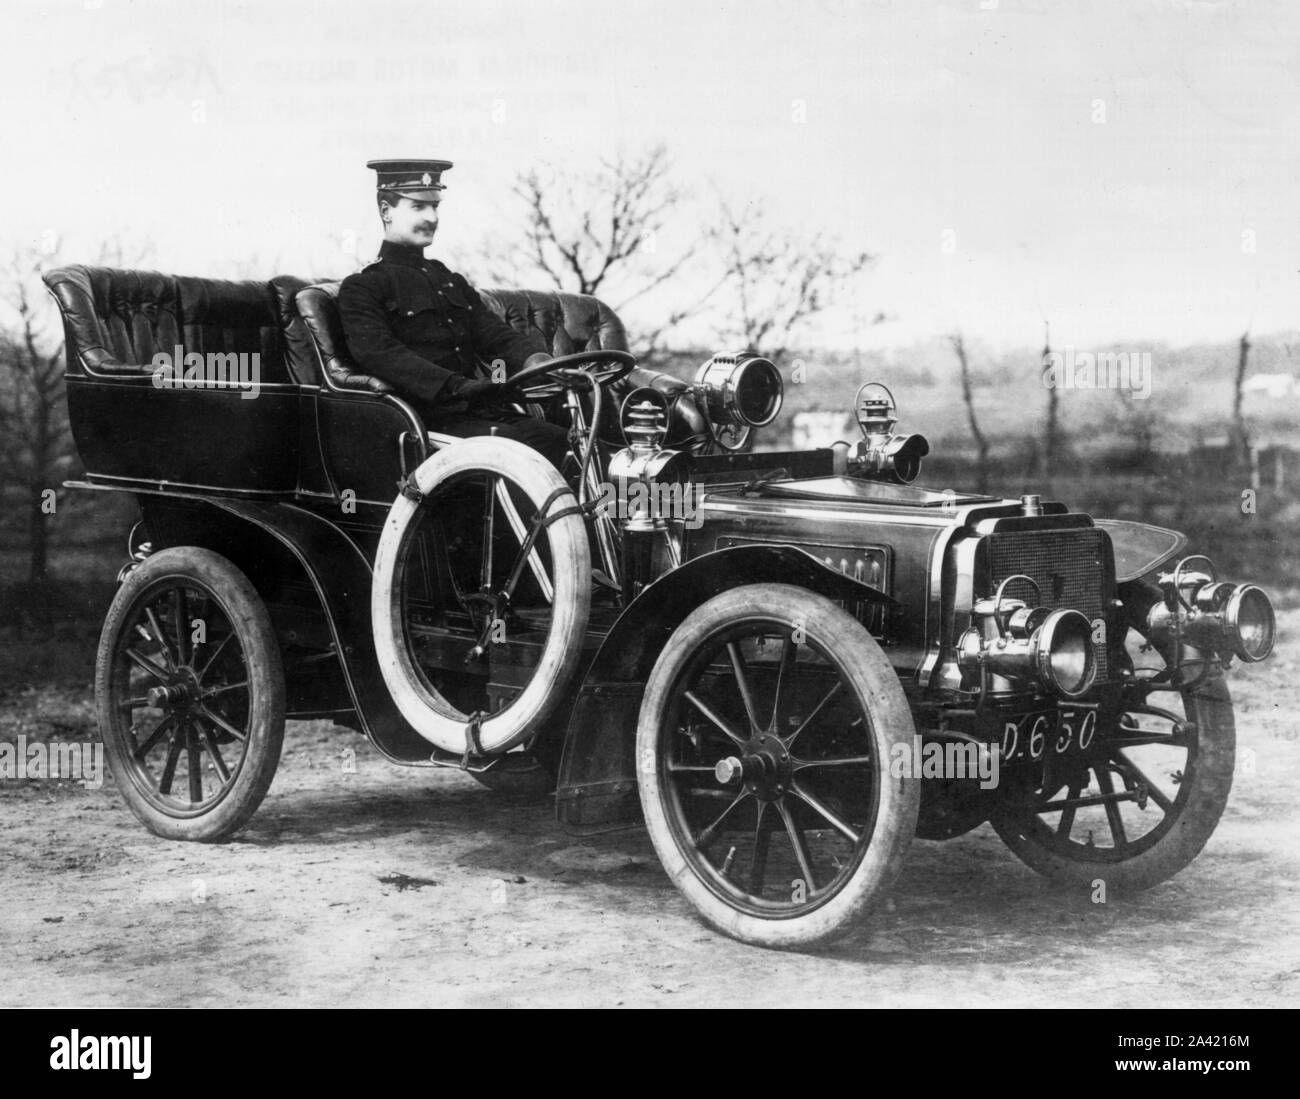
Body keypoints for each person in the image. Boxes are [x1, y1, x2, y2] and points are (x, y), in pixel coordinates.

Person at [338, 158, 568, 469]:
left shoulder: (449, 280)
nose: (432, 217)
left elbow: (493, 333)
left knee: (561, 440)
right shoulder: (364, 286)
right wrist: (455, 385)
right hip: (424, 422)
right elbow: (381, 354)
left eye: (435, 207)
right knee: (520, 455)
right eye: (418, 207)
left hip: (478, 414)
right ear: (385, 211)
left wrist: (536, 360)